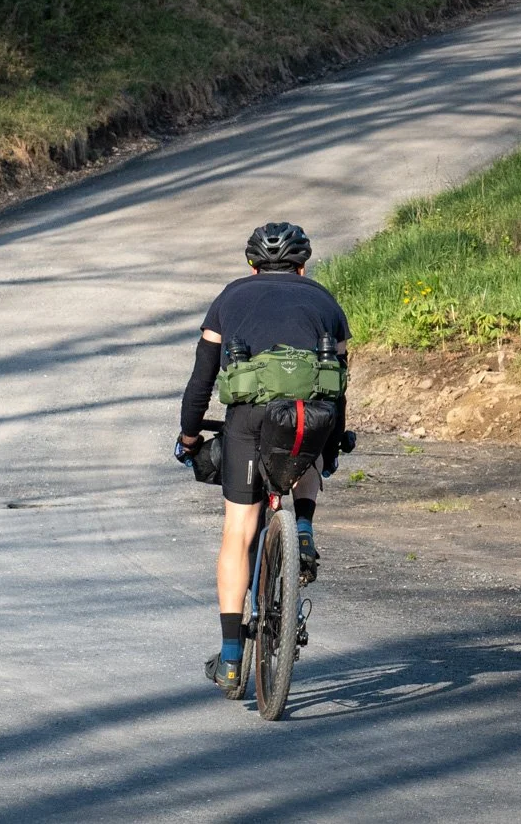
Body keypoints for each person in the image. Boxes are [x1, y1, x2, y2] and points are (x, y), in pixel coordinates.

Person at [175, 222, 350, 698]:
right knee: (309, 429)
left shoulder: (229, 298)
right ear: (303, 266)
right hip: (307, 418)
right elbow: (338, 386)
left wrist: (190, 437)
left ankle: (232, 660)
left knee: (238, 532)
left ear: (252, 265)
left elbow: (201, 383)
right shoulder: (325, 302)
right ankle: (305, 529)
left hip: (247, 422)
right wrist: (330, 445)